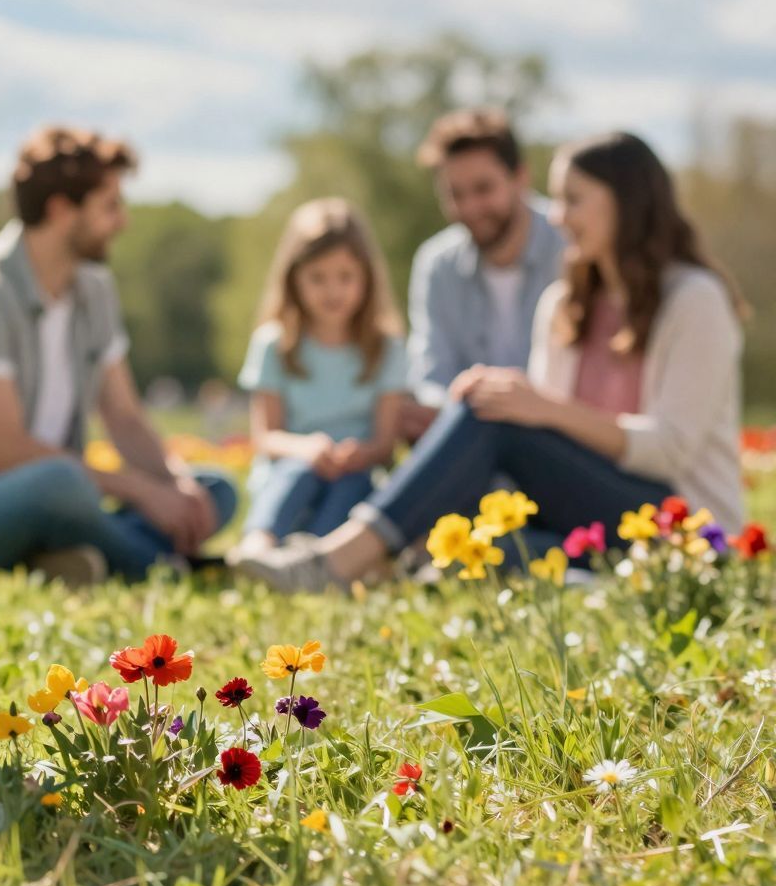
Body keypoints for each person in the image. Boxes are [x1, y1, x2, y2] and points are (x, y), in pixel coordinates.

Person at [235, 132, 747, 593]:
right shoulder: (566, 304)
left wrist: (538, 407)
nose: (557, 216)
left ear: (627, 203)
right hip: (592, 507)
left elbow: (670, 450)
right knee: (470, 533)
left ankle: (338, 561)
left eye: (573, 200)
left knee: (495, 422)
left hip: (679, 520)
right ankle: (575, 571)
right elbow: (543, 446)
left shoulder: (693, 299)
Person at [0, 125, 237, 585]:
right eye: (110, 206)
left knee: (214, 490)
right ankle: (162, 568)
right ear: (62, 210)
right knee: (58, 483)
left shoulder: (94, 288)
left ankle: (69, 559)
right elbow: (9, 454)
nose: (122, 221)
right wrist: (142, 491)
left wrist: (175, 484)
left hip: (69, 496)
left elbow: (124, 416)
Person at [228, 199, 408, 550]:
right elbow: (265, 437)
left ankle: (318, 555)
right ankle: (259, 543)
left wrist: (361, 453)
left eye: (345, 277)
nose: (332, 291)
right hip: (289, 476)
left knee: (352, 481)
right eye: (317, 278)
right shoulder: (274, 344)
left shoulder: (386, 347)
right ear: (294, 279)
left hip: (354, 478)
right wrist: (307, 449)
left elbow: (385, 445)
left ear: (366, 279)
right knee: (297, 471)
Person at [400, 108, 564, 441]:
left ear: (520, 177)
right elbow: (431, 375)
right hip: (471, 438)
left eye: (483, 189)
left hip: (557, 437)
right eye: (455, 194)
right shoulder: (437, 265)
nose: (470, 208)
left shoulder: (570, 244)